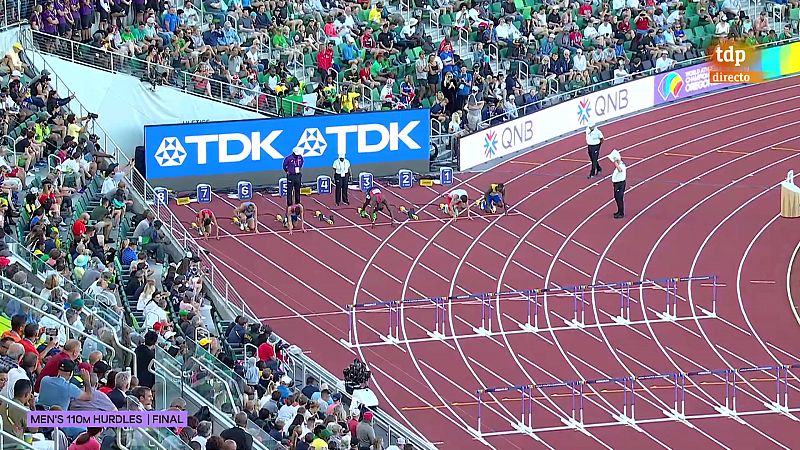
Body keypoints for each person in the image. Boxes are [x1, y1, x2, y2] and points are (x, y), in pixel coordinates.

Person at [608, 149, 627, 219]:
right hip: (617, 184)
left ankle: (621, 213)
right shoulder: (620, 164)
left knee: (619, 198)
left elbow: (620, 170)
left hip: (620, 184)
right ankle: (619, 211)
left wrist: (615, 162)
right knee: (616, 197)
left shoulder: (621, 165)